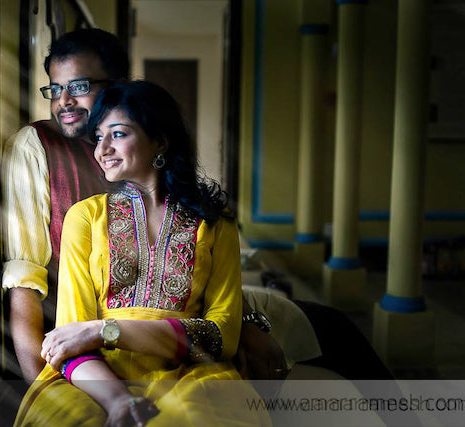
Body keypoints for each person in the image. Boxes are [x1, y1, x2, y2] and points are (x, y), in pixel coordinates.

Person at [14, 80, 272, 426]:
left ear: (160, 141)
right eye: (98, 136)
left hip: (190, 374)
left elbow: (222, 336)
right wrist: (120, 401)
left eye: (117, 134)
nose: (101, 149)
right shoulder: (86, 217)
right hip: (96, 379)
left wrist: (106, 330)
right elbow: (71, 339)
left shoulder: (215, 224)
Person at [2, 28, 128, 383]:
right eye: (55, 89)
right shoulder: (35, 147)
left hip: (150, 331)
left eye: (79, 87)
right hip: (75, 351)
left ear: (117, 86)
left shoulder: (139, 147)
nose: (64, 101)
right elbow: (24, 281)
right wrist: (40, 390)